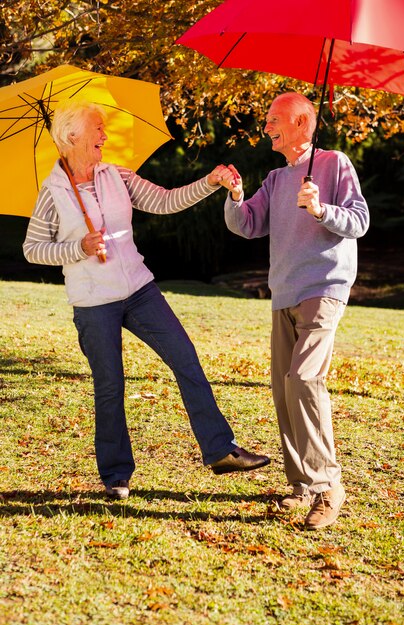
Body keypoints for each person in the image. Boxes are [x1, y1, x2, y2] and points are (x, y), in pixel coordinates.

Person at [23, 100, 270, 500]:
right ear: (72, 136)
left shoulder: (115, 175)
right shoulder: (52, 192)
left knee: (185, 357)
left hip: (139, 290)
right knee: (110, 385)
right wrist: (77, 247)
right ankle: (116, 476)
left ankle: (221, 451)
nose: (104, 135)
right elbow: (33, 249)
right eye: (97, 128)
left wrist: (209, 183)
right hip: (93, 302)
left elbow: (163, 201)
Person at [220, 92, 369, 530]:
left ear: (303, 124)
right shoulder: (275, 178)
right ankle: (302, 484)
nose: (267, 128)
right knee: (283, 389)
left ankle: (328, 485)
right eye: (267, 121)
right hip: (283, 290)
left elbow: (359, 221)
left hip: (324, 287)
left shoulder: (335, 163)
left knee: (304, 379)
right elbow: (246, 224)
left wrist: (322, 209)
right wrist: (234, 195)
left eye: (274, 120)